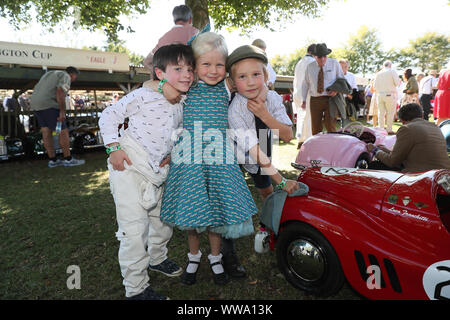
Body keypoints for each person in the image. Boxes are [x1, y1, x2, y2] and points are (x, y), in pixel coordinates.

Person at [159, 32, 258, 286]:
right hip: (189, 159)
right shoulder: (186, 86)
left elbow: (254, 78)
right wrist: (162, 85)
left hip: (219, 159)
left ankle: (216, 257)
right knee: (192, 213)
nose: (213, 70)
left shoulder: (227, 85)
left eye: (219, 65)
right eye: (206, 64)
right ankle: (194, 256)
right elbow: (153, 84)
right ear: (194, 66)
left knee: (214, 212)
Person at [99, 44, 195, 300]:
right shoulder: (144, 95)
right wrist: (113, 148)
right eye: (178, 69)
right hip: (129, 167)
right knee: (134, 231)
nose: (186, 74)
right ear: (160, 73)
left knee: (163, 222)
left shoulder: (183, 100)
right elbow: (109, 115)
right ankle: (136, 289)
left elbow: (176, 133)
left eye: (189, 69)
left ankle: (157, 258)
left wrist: (172, 155)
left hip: (158, 172)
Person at [226, 44, 300, 277]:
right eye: (242, 76)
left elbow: (287, 135)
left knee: (266, 190)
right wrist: (281, 180)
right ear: (232, 82)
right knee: (231, 194)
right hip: (233, 150)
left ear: (266, 76)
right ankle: (227, 250)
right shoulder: (235, 109)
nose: (250, 82)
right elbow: (252, 150)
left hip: (261, 140)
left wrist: (264, 115)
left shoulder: (273, 98)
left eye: (256, 74)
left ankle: (267, 227)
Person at [367, 103, 450, 172]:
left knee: (374, 165)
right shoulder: (434, 127)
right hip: (443, 172)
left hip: (423, 174)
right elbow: (414, 154)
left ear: (402, 120)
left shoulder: (407, 129)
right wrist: (385, 150)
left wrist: (375, 150)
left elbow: (392, 161)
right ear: (421, 115)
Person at [30, 66, 85, 167]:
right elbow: (60, 92)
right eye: (75, 77)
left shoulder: (50, 74)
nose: (74, 80)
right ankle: (68, 159)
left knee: (46, 131)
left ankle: (53, 160)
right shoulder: (65, 76)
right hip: (50, 105)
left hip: (36, 105)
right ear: (72, 75)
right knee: (63, 131)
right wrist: (62, 112)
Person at [300, 43, 344, 135]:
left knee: (330, 125)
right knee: (315, 128)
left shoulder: (334, 63)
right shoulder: (310, 67)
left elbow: (341, 79)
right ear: (314, 56)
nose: (323, 59)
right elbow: (305, 84)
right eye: (319, 57)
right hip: (315, 100)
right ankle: (317, 148)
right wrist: (303, 100)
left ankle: (332, 148)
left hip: (331, 99)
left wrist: (336, 90)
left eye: (324, 56)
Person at [143, 5, 199, 75]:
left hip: (167, 83)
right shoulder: (196, 33)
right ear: (190, 20)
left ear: (174, 20)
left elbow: (147, 61)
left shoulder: (163, 39)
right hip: (190, 82)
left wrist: (163, 75)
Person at [293, 44, 315, 148]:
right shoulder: (313, 63)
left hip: (297, 92)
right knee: (309, 118)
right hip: (307, 93)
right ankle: (308, 140)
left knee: (301, 116)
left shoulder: (299, 62)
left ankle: (300, 139)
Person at [373, 60, 401, 134]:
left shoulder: (378, 73)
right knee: (390, 113)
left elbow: (374, 86)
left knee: (380, 113)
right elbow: (397, 83)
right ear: (390, 65)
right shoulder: (392, 71)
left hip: (380, 94)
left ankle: (381, 129)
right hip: (389, 93)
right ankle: (389, 129)